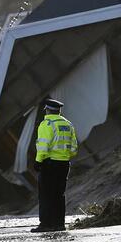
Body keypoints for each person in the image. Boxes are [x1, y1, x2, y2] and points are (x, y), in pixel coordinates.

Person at [31, 98, 77, 233]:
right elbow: (74, 148)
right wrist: (64, 156)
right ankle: (59, 224)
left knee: (46, 194)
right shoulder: (68, 124)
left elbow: (44, 146)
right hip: (64, 164)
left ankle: (45, 224)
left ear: (47, 110)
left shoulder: (47, 124)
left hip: (49, 164)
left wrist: (38, 161)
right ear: (59, 111)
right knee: (59, 194)